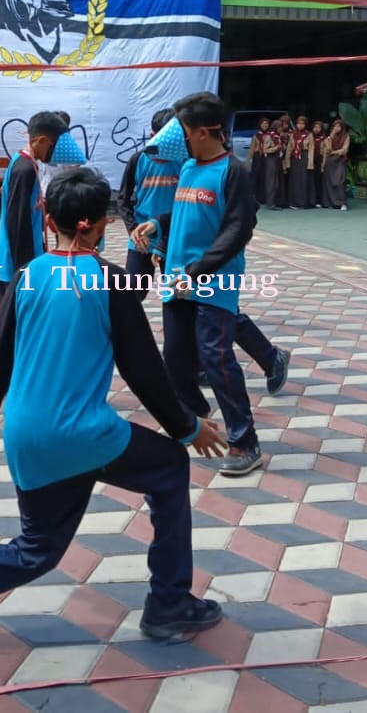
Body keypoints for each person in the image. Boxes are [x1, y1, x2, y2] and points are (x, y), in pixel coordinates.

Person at [0, 170, 228, 641]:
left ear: (47, 217)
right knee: (171, 466)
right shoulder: (110, 282)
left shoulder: (26, 276)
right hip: (85, 435)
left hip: (26, 433)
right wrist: (186, 428)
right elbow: (144, 372)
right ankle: (170, 604)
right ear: (102, 224)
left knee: (35, 550)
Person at [132, 92, 284, 477]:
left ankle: (244, 442)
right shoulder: (187, 168)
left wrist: (198, 270)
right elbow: (187, 209)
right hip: (177, 279)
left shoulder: (232, 171)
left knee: (216, 358)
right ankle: (197, 422)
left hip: (213, 282)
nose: (175, 138)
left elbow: (239, 228)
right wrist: (159, 225)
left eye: (180, 130)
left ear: (200, 133)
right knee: (176, 363)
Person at [0, 111, 67, 298]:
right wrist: (24, 270)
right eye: (54, 147)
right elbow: (17, 222)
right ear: (41, 140)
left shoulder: (27, 163)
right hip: (17, 264)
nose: (55, 153)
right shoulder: (24, 170)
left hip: (26, 258)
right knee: (15, 322)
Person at [118, 109, 178, 300]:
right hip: (142, 237)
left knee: (175, 294)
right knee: (132, 294)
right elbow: (123, 199)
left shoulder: (185, 161)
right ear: (153, 135)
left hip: (174, 236)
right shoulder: (138, 159)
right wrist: (133, 230)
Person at [323, 119, 351, 211]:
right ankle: (331, 203)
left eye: (339, 126)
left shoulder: (346, 136)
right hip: (330, 162)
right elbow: (327, 149)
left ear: (342, 128)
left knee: (339, 182)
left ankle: (342, 203)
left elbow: (344, 150)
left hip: (340, 161)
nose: (337, 128)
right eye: (335, 126)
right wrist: (331, 136)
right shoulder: (329, 137)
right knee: (329, 182)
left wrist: (334, 152)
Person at [286, 115, 314, 209]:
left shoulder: (309, 134)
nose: (300, 125)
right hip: (295, 158)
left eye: (302, 124)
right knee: (294, 180)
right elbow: (289, 148)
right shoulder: (293, 134)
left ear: (305, 125)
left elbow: (311, 149)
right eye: (298, 123)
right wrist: (287, 162)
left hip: (304, 158)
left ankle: (303, 202)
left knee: (303, 180)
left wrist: (310, 163)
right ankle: (293, 202)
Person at [246, 117, 274, 209]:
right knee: (256, 176)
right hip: (258, 157)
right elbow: (252, 148)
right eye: (263, 124)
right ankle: (256, 197)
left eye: (266, 124)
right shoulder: (256, 135)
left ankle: (265, 197)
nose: (265, 125)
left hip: (267, 157)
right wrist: (248, 160)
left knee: (266, 177)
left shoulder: (271, 135)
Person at [311, 120, 328, 208]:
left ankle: (319, 200)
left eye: (318, 127)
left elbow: (326, 151)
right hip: (310, 162)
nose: (316, 129)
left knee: (319, 182)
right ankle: (312, 200)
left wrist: (323, 164)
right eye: (315, 127)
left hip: (320, 161)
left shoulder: (324, 139)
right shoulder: (309, 137)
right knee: (311, 181)